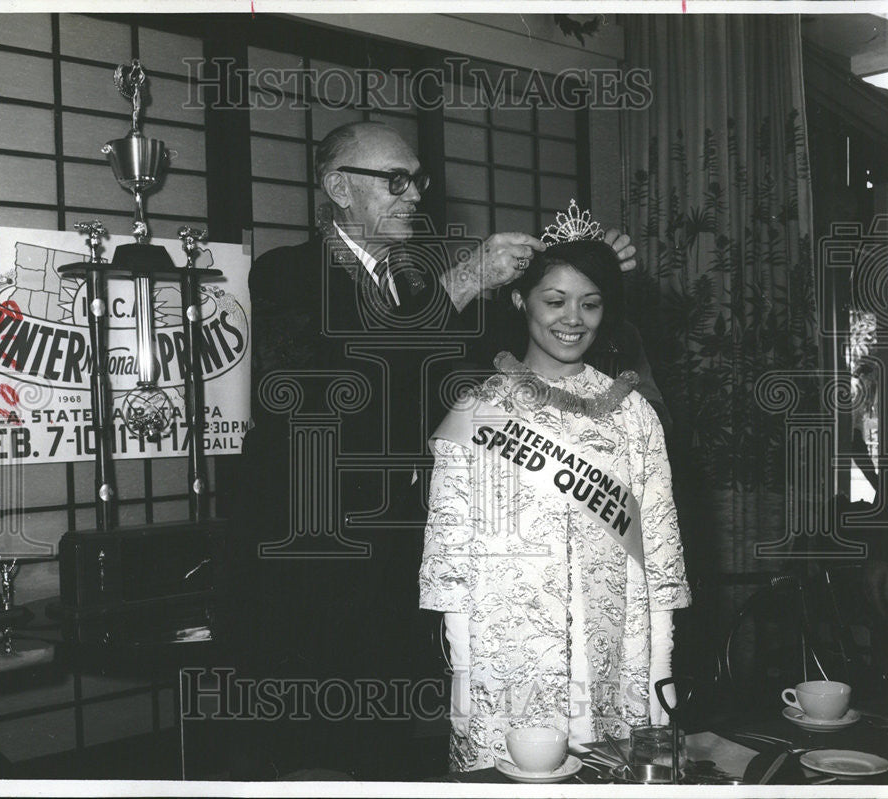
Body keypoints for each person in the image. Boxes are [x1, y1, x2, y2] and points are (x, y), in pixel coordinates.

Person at [220, 121, 640, 779]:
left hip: (390, 567)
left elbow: (501, 370)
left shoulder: (408, 291)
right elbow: (333, 391)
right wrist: (463, 280)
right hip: (308, 571)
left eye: (416, 179)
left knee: (386, 756)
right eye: (395, 180)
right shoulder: (287, 275)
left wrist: (596, 266)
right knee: (311, 759)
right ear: (337, 187)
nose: (415, 193)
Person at [419, 236, 691, 772]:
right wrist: (469, 679)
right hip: (508, 663)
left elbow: (658, 552)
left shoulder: (633, 414)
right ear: (520, 300)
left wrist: (661, 673)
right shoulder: (477, 411)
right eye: (554, 300)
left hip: (617, 658)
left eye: (590, 303)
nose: (573, 319)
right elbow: (449, 563)